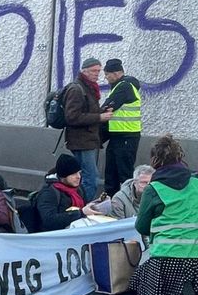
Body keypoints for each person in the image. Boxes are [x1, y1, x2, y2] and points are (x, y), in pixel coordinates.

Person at [129, 135, 198, 295]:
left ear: (155, 160)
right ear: (181, 157)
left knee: (139, 281)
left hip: (170, 256)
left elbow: (142, 226)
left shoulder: (154, 188)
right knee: (196, 270)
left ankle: (183, 294)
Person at [62, 57, 113, 202]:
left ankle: (79, 204)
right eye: (93, 71)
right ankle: (84, 208)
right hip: (81, 141)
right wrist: (99, 117)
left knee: (84, 177)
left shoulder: (89, 87)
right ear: (84, 71)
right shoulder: (77, 89)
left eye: (98, 71)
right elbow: (72, 117)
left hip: (88, 139)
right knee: (90, 178)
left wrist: (101, 111)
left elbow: (86, 111)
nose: (97, 74)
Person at [28, 154, 105, 232]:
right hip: (56, 236)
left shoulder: (79, 189)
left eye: (79, 173)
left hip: (76, 231)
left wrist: (96, 204)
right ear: (63, 176)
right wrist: (81, 213)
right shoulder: (49, 192)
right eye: (73, 174)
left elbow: (84, 208)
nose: (78, 177)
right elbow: (49, 220)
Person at [101, 59, 142, 196]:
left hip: (126, 137)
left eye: (107, 74)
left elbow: (107, 107)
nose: (105, 77)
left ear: (117, 73)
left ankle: (128, 204)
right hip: (118, 136)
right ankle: (111, 203)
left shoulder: (124, 87)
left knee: (124, 175)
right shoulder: (121, 86)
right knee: (111, 173)